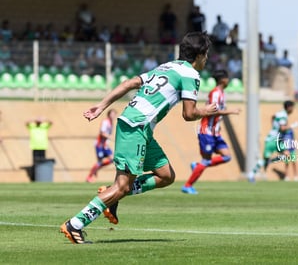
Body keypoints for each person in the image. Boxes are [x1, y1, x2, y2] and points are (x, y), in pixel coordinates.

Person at [60, 31, 219, 244]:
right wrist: (206, 111)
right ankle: (75, 224)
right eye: (206, 54)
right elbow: (189, 114)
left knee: (166, 175)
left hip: (139, 127)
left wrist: (101, 105)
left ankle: (112, 194)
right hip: (137, 127)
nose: (206, 59)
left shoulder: (166, 66)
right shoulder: (190, 75)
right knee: (122, 186)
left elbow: (128, 83)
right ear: (199, 55)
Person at [182, 70, 241, 194]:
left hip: (215, 133)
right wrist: (231, 111)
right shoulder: (215, 93)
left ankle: (197, 165)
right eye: (227, 78)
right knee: (206, 160)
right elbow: (213, 111)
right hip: (206, 131)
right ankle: (187, 185)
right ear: (222, 80)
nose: (228, 80)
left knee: (227, 156)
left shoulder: (221, 93)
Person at [247, 100, 298, 182]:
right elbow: (282, 128)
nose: (293, 109)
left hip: (269, 138)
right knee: (287, 155)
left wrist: (274, 127)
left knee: (266, 160)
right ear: (289, 107)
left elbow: (272, 117)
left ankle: (252, 173)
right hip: (275, 140)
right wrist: (292, 126)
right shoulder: (283, 116)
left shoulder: (279, 113)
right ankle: (270, 162)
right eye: (292, 107)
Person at [86, 109, 117, 183]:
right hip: (99, 145)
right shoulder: (105, 122)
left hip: (105, 145)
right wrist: (109, 137)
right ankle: (89, 177)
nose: (114, 116)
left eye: (114, 114)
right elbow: (102, 132)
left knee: (112, 159)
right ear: (109, 114)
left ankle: (97, 169)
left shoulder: (111, 123)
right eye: (112, 114)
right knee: (99, 162)